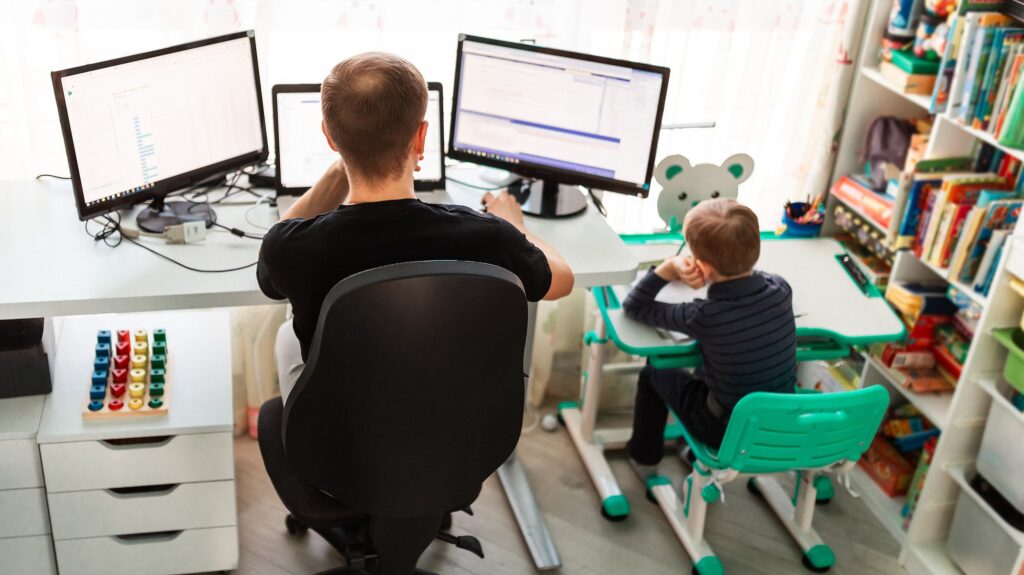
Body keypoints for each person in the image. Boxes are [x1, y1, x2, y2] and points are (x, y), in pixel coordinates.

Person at [257, 52, 575, 401]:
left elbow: (272, 271)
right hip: (454, 422)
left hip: (344, 436)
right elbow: (562, 279)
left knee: (287, 336)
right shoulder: (488, 236)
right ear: (421, 138)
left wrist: (340, 168)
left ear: (330, 138)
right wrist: (515, 225)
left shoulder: (292, 248)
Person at [622, 198, 796, 478]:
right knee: (712, 361)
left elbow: (635, 307)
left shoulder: (704, 315)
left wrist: (668, 268)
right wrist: (723, 269)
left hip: (724, 431)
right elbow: (757, 277)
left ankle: (644, 457)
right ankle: (685, 447)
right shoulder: (781, 289)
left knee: (654, 371)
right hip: (778, 421)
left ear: (702, 266)